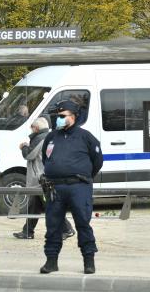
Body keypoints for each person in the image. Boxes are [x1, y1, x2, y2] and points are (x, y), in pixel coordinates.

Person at [39, 99, 103, 274]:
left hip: (78, 187)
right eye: (57, 115)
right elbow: (46, 159)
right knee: (53, 226)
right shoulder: (51, 137)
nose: (58, 119)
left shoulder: (86, 137)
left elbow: (97, 161)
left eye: (62, 116)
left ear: (73, 117)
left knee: (83, 223)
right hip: (55, 188)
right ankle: (51, 261)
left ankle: (88, 261)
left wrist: (83, 176)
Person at [12, 117, 76, 240]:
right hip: (42, 178)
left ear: (36, 128)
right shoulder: (50, 136)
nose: (31, 131)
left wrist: (24, 146)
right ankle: (28, 231)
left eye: (32, 128)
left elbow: (29, 155)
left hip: (41, 179)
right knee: (34, 206)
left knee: (51, 205)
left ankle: (67, 229)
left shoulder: (39, 139)